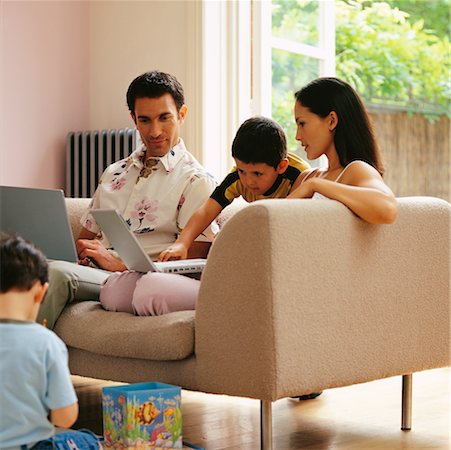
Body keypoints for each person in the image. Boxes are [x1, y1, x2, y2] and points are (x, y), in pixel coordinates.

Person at [37, 70, 217, 329]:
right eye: (144, 120)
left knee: (57, 274)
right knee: (25, 264)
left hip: (138, 278)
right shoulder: (114, 172)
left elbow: (193, 263)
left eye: (164, 118)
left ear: (182, 114)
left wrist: (119, 264)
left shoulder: (196, 181)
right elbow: (85, 238)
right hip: (96, 272)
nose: (155, 131)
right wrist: (83, 253)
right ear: (133, 118)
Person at [99, 116, 310, 315]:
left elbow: (290, 226)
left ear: (281, 167)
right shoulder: (237, 178)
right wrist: (182, 243)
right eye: (242, 171)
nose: (248, 182)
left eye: (257, 174)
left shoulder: (297, 177)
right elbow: (207, 209)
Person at [0, 234, 100, 449]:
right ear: (41, 292)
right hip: (30, 445)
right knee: (86, 441)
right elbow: (64, 417)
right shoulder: (45, 342)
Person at [287, 77, 397, 224]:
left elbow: (387, 209)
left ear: (332, 121)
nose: (297, 136)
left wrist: (316, 185)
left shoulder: (356, 170)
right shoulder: (306, 177)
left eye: (302, 123)